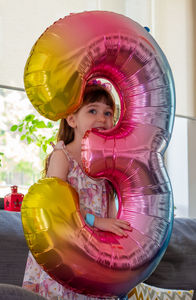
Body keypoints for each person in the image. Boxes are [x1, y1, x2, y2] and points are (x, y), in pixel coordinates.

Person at [22, 81, 131, 300]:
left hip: (93, 255)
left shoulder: (108, 168)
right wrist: (97, 222)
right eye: (93, 110)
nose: (102, 118)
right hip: (63, 251)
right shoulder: (63, 157)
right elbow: (55, 214)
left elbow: (111, 216)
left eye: (108, 113)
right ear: (72, 120)